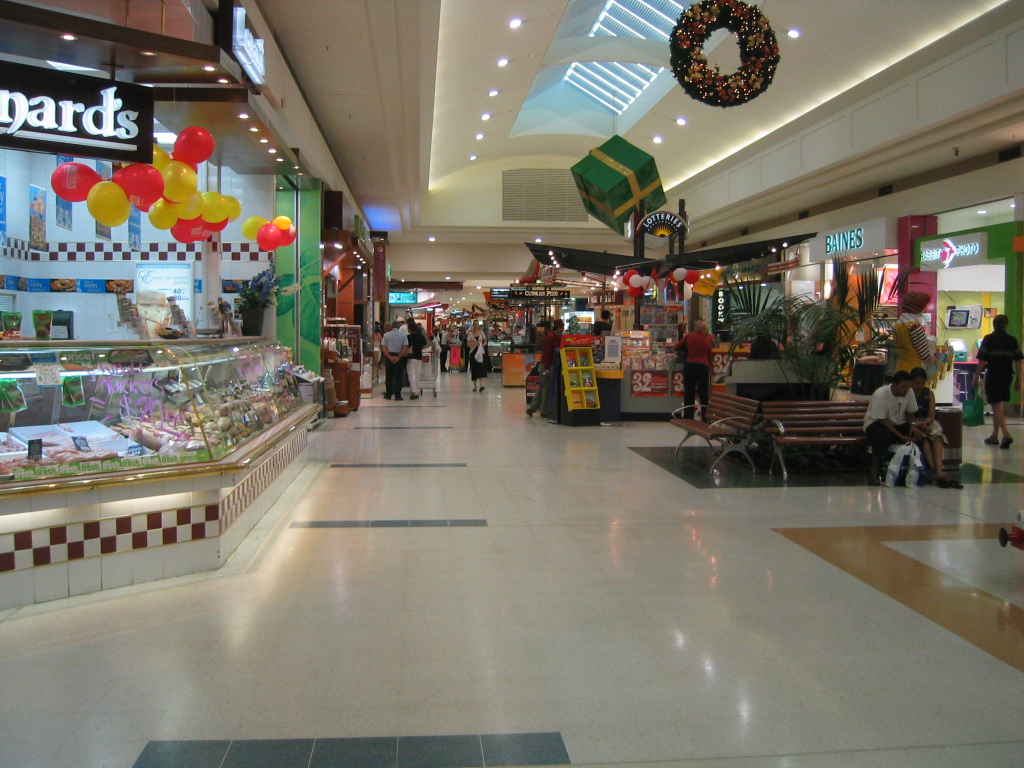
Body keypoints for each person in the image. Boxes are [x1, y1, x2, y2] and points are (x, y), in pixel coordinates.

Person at [864, 370, 925, 485]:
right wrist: (900, 436)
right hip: (876, 423)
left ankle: (916, 470)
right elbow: (882, 419)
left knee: (918, 436)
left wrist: (913, 425)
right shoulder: (880, 394)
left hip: (898, 422)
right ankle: (874, 471)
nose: (906, 390)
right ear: (894, 384)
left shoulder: (909, 392)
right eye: (903, 387)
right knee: (882, 437)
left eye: (908, 387)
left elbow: (910, 412)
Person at [973, 313, 1023, 449]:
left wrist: (976, 377)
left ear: (994, 325)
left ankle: (1006, 435)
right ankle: (994, 436)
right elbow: (1019, 360)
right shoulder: (1012, 340)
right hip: (1007, 376)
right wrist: (1019, 379)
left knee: (995, 406)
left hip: (993, 375)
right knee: (998, 405)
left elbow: (982, 360)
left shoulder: (988, 339)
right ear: (1006, 325)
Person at [910, 367, 962, 489]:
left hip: (926, 421)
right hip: (913, 422)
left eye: (922, 383)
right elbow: (908, 415)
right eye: (917, 383)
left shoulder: (929, 394)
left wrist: (926, 422)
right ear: (912, 382)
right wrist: (919, 425)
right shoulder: (908, 394)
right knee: (925, 439)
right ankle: (934, 470)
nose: (920, 386)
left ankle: (939, 469)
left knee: (937, 436)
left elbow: (931, 415)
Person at [675, 321, 714, 419]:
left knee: (689, 392)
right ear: (704, 330)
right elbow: (710, 356)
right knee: (704, 393)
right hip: (703, 367)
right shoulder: (707, 340)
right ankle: (705, 417)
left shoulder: (689, 337)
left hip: (690, 365)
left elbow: (676, 347)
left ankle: (688, 416)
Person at [526, 318, 563, 418]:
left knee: (543, 388)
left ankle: (531, 409)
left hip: (547, 366)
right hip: (546, 367)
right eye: (562, 327)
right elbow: (546, 354)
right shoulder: (550, 338)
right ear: (558, 328)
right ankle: (544, 411)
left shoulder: (555, 337)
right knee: (546, 390)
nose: (562, 330)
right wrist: (547, 368)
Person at [380, 321, 409, 401]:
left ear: (392, 327)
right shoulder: (403, 336)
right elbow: (405, 347)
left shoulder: (386, 335)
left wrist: (389, 357)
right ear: (399, 327)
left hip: (389, 356)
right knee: (398, 377)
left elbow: (383, 347)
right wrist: (399, 357)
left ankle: (388, 394)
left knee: (389, 376)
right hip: (399, 357)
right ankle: (398, 395)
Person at [405, 320, 427, 400]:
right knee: (417, 375)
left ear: (410, 329)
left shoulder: (408, 337)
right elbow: (424, 346)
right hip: (419, 357)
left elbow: (406, 347)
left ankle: (414, 392)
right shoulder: (421, 336)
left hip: (411, 357)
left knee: (411, 375)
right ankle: (416, 390)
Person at [466, 321, 488, 391]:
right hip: (473, 353)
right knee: (474, 369)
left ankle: (481, 385)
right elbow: (468, 344)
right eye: (474, 325)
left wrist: (483, 344)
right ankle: (475, 385)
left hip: (480, 353)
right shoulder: (470, 334)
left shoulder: (482, 333)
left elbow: (485, 342)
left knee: (481, 368)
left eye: (477, 325)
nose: (475, 326)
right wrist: (475, 343)